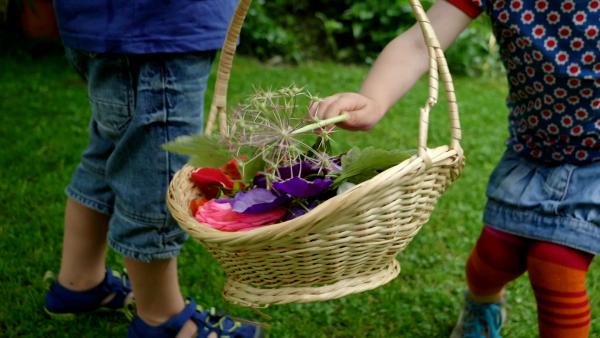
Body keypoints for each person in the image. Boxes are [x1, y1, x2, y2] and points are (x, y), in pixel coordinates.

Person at [309, 0, 598, 337]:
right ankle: (483, 302)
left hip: (596, 162)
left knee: (555, 264)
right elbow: (421, 42)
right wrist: (373, 99)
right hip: (531, 150)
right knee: (495, 256)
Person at [43, 1, 263, 337]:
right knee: (157, 176)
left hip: (123, 27)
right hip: (155, 29)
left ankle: (79, 282)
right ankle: (161, 319)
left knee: (110, 152)